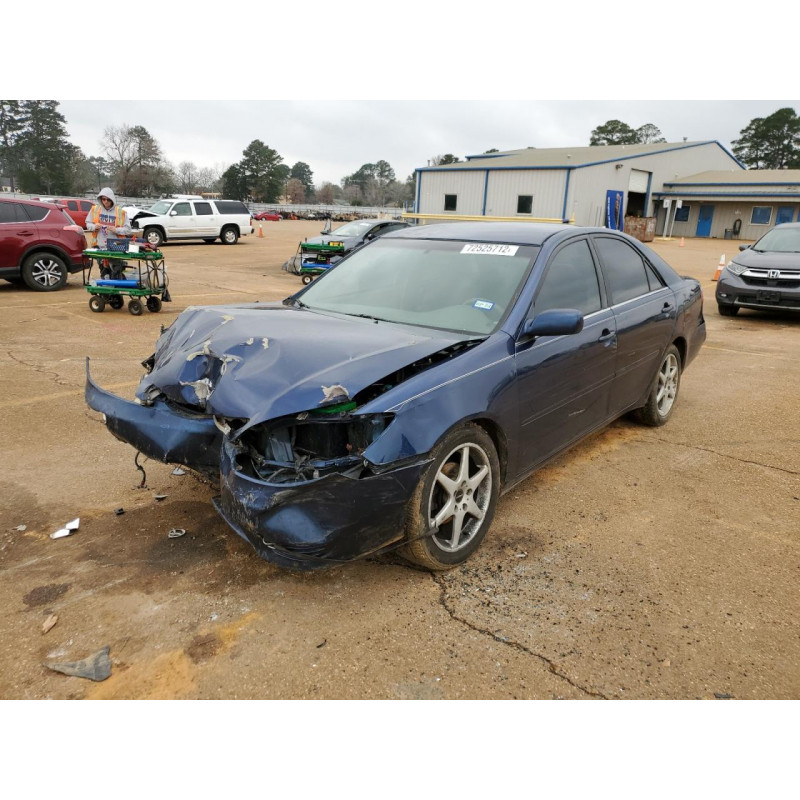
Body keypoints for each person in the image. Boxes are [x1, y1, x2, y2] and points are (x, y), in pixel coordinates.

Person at [86, 187, 132, 278]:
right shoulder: (94, 210)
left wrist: (116, 230)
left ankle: (115, 287)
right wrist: (94, 227)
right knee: (104, 273)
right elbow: (88, 224)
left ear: (112, 199)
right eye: (103, 199)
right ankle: (106, 290)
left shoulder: (121, 212)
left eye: (108, 200)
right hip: (100, 246)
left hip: (116, 247)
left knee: (115, 272)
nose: (106, 202)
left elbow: (128, 229)